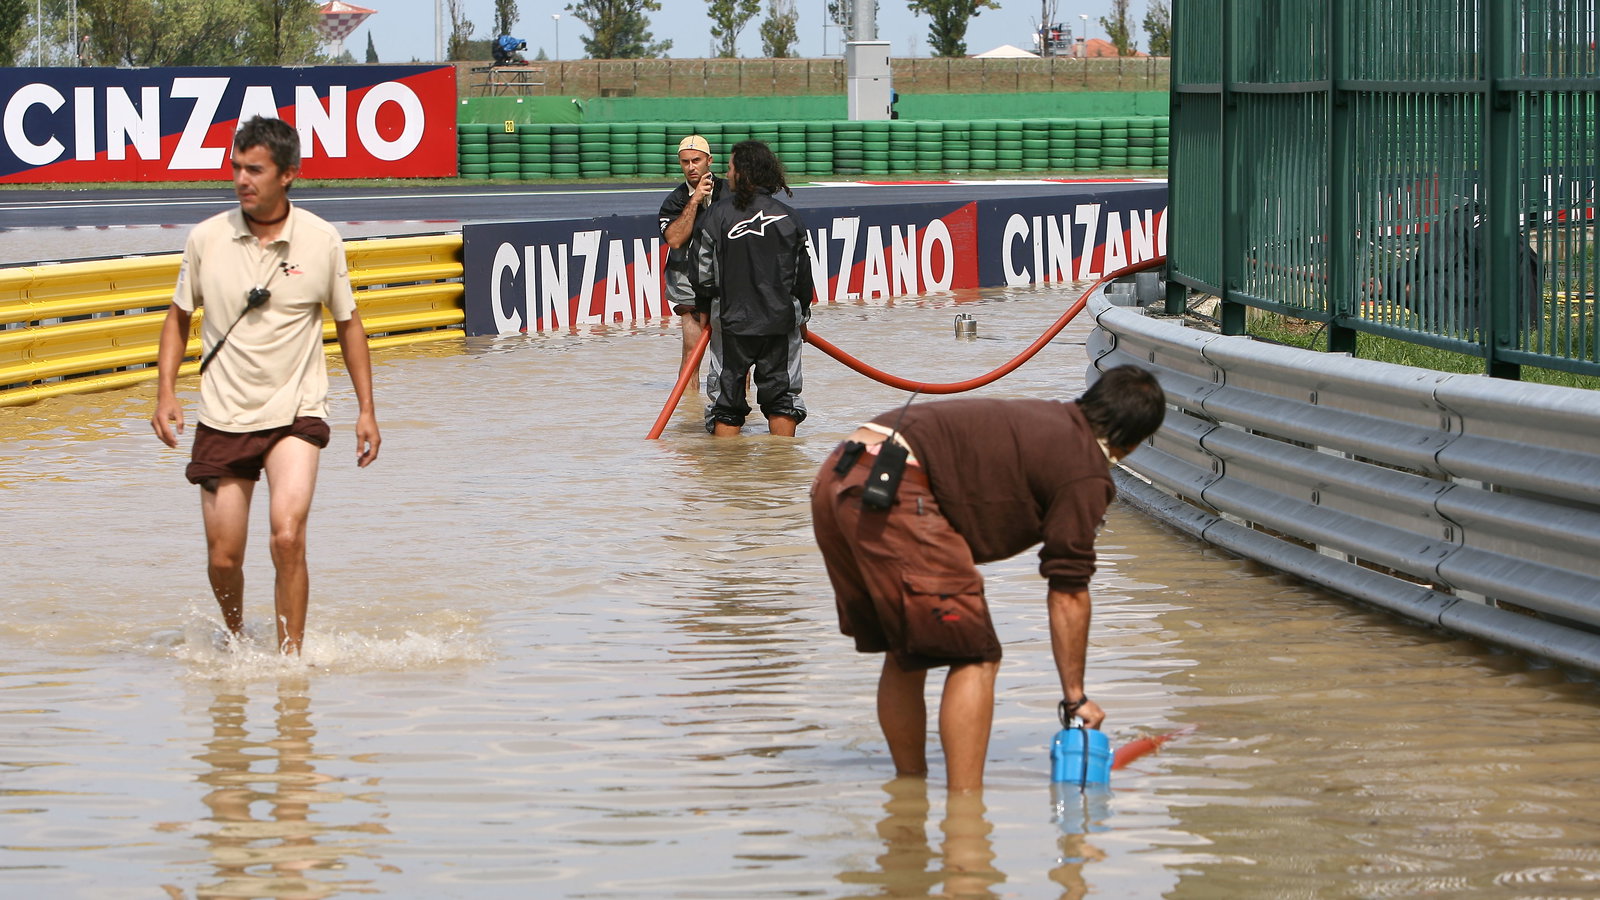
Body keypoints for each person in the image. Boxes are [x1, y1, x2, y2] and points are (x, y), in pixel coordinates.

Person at [809, 365, 1167, 791]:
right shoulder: (1083, 467)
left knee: (907, 650)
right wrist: (1075, 696)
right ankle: (966, 817)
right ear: (1132, 442)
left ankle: (908, 795)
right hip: (895, 484)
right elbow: (1069, 589)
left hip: (837, 474)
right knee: (975, 655)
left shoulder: (1045, 419)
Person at [150, 115, 381, 656]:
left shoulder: (322, 240)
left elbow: (349, 325)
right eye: (236, 168)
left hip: (296, 414)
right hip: (223, 415)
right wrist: (165, 392)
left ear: (289, 176)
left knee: (286, 535)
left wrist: (366, 410)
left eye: (254, 170)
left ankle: (289, 659)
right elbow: (177, 318)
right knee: (223, 558)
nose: (241, 180)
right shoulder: (206, 238)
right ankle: (236, 642)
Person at [692, 139, 814, 437]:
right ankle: (783, 475)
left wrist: (705, 308)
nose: (728, 174)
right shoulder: (789, 217)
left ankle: (728, 476)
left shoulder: (716, 215)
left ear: (744, 172)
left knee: (726, 404)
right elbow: (803, 276)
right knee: (782, 401)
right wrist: (803, 316)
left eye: (731, 168)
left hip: (731, 325)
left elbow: (702, 270)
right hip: (780, 324)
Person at [657, 135, 727, 381]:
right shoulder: (674, 200)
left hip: (727, 280)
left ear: (709, 161)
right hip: (687, 281)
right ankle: (689, 410)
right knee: (692, 352)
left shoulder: (730, 192)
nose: (691, 167)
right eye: (685, 162)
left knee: (733, 355)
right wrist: (695, 200)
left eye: (696, 160)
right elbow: (674, 240)